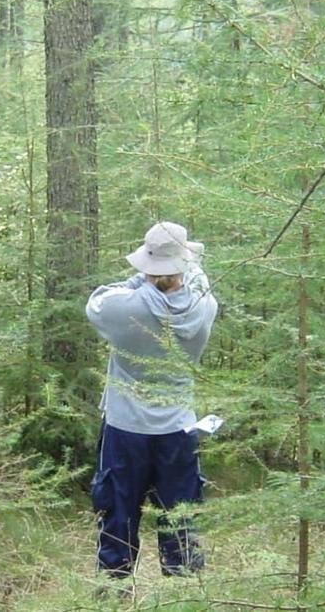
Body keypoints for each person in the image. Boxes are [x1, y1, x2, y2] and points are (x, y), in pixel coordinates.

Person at [86, 222, 218, 587]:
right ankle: (183, 592)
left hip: (125, 428)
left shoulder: (124, 309)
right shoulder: (204, 305)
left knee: (117, 515)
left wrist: (140, 281)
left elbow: (97, 301)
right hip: (178, 428)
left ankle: (114, 591)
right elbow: (199, 278)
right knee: (179, 518)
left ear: (148, 266)